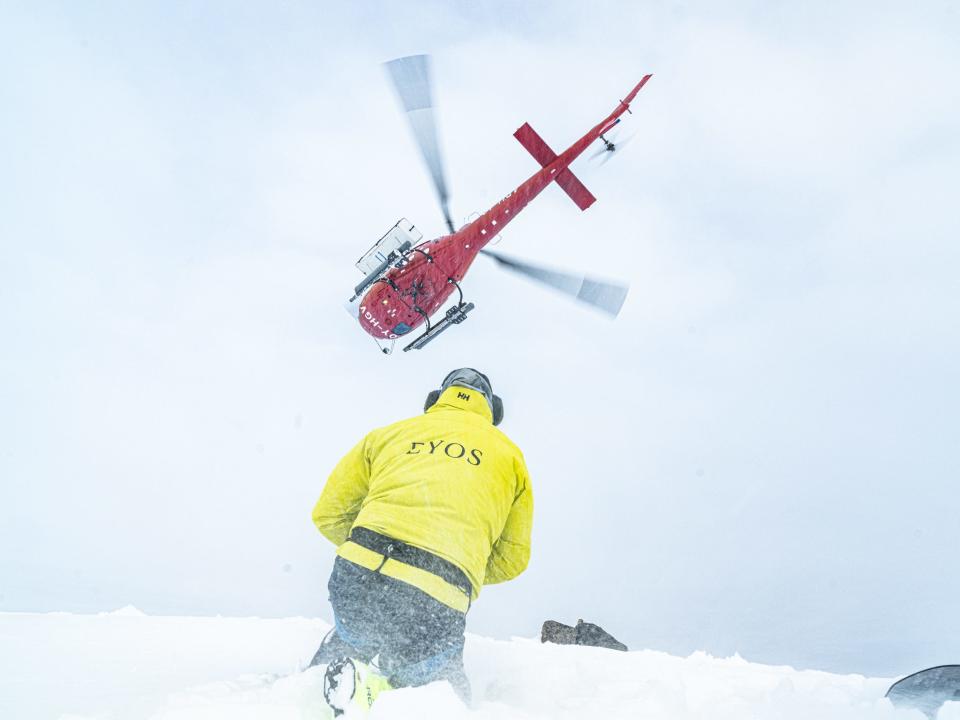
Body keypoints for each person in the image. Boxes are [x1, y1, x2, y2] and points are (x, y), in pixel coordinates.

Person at [310, 368, 533, 711]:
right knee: (439, 696)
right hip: (437, 591)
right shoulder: (511, 458)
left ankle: (332, 684)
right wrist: (461, 565)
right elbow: (512, 559)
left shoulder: (388, 434)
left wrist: (367, 547)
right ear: (492, 410)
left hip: (361, 571)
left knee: (349, 644)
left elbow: (328, 514)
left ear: (435, 399)